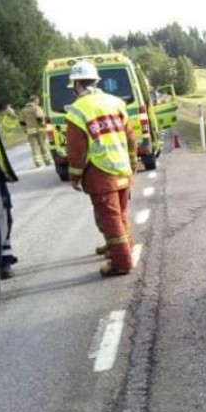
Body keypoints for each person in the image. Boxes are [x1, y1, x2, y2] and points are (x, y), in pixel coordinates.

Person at [65, 60, 137, 276]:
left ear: (77, 84)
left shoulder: (77, 110)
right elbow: (130, 136)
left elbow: (77, 150)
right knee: (120, 214)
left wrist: (74, 176)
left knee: (110, 217)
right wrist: (132, 162)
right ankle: (124, 247)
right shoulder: (115, 102)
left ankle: (121, 262)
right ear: (96, 81)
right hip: (122, 167)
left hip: (100, 171)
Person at [0, 115, 19, 279]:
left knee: (4, 215)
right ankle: (3, 261)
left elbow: (1, 137)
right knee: (2, 216)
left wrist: (9, 117)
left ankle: (5, 259)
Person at [19, 95, 52, 168]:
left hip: (30, 132)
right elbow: (40, 118)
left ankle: (37, 163)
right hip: (40, 130)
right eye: (37, 100)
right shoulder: (37, 108)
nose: (38, 102)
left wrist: (25, 129)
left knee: (34, 147)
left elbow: (21, 122)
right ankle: (47, 161)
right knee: (43, 146)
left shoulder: (23, 110)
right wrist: (44, 125)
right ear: (35, 100)